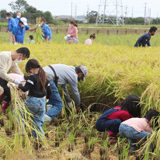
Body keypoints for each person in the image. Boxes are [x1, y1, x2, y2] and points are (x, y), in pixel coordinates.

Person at [16, 59, 51, 138]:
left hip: (33, 101)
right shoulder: (45, 78)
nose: (29, 72)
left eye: (28, 70)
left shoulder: (32, 78)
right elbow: (50, 92)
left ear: (31, 68)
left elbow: (25, 89)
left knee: (17, 112)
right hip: (42, 102)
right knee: (37, 123)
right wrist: (47, 100)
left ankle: (22, 129)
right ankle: (40, 142)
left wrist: (18, 86)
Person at [0, 47, 30, 113]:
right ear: (20, 55)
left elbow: (17, 70)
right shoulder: (4, 56)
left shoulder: (12, 59)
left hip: (1, 77)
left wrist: (24, 78)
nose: (21, 60)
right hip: (1, 76)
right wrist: (13, 80)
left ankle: (3, 109)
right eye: (22, 59)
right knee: (5, 91)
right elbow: (1, 73)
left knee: (11, 92)